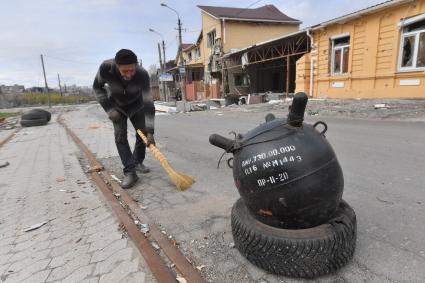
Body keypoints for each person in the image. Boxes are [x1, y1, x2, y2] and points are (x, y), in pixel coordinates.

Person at [93, 49, 155, 189]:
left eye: (132, 70)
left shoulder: (142, 74)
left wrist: (150, 131)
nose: (129, 74)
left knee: (143, 134)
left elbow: (148, 101)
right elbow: (97, 88)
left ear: (136, 65)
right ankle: (130, 172)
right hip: (117, 107)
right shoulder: (106, 68)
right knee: (120, 137)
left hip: (137, 105)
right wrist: (109, 109)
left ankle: (138, 161)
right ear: (116, 65)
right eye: (124, 71)